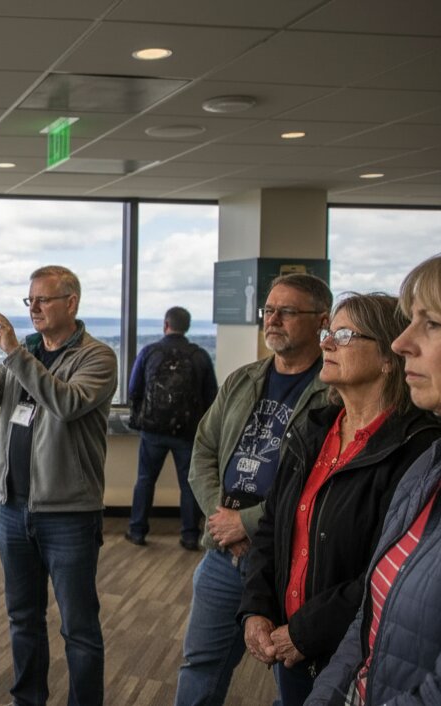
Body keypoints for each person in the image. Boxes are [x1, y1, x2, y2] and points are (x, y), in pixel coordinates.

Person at [238, 293, 441, 705]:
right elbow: (272, 527)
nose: (326, 342)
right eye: (329, 331)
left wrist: (305, 632)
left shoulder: (415, 449)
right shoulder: (313, 431)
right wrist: (257, 606)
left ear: (388, 356)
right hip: (287, 640)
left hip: (347, 650)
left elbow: (381, 574)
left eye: (344, 334)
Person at [0, 265, 117, 706]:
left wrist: (14, 355)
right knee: (23, 618)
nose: (34, 309)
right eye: (30, 301)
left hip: (69, 513)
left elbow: (65, 403)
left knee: (79, 627)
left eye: (43, 300)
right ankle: (28, 699)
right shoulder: (26, 353)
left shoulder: (97, 357)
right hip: (14, 510)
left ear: (72, 302)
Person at [177, 272, 333, 706]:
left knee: (296, 681)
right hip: (224, 556)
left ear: (322, 320)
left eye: (287, 312)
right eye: (268, 310)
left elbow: (325, 485)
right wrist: (221, 520)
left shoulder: (334, 392)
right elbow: (203, 452)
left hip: (290, 560)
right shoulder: (243, 379)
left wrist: (247, 523)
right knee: (200, 666)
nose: (273, 320)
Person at [306, 254, 441, 706]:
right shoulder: (430, 467)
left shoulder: (412, 448)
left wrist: (302, 631)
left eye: (433, 323)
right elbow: (372, 617)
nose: (404, 341)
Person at [126, 306, 218, 549]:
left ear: (165, 325)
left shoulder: (149, 352)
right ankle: (189, 535)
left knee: (145, 480)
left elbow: (133, 389)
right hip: (188, 432)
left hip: (153, 430)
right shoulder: (200, 355)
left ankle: (137, 531)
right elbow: (212, 395)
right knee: (189, 484)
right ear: (187, 326)